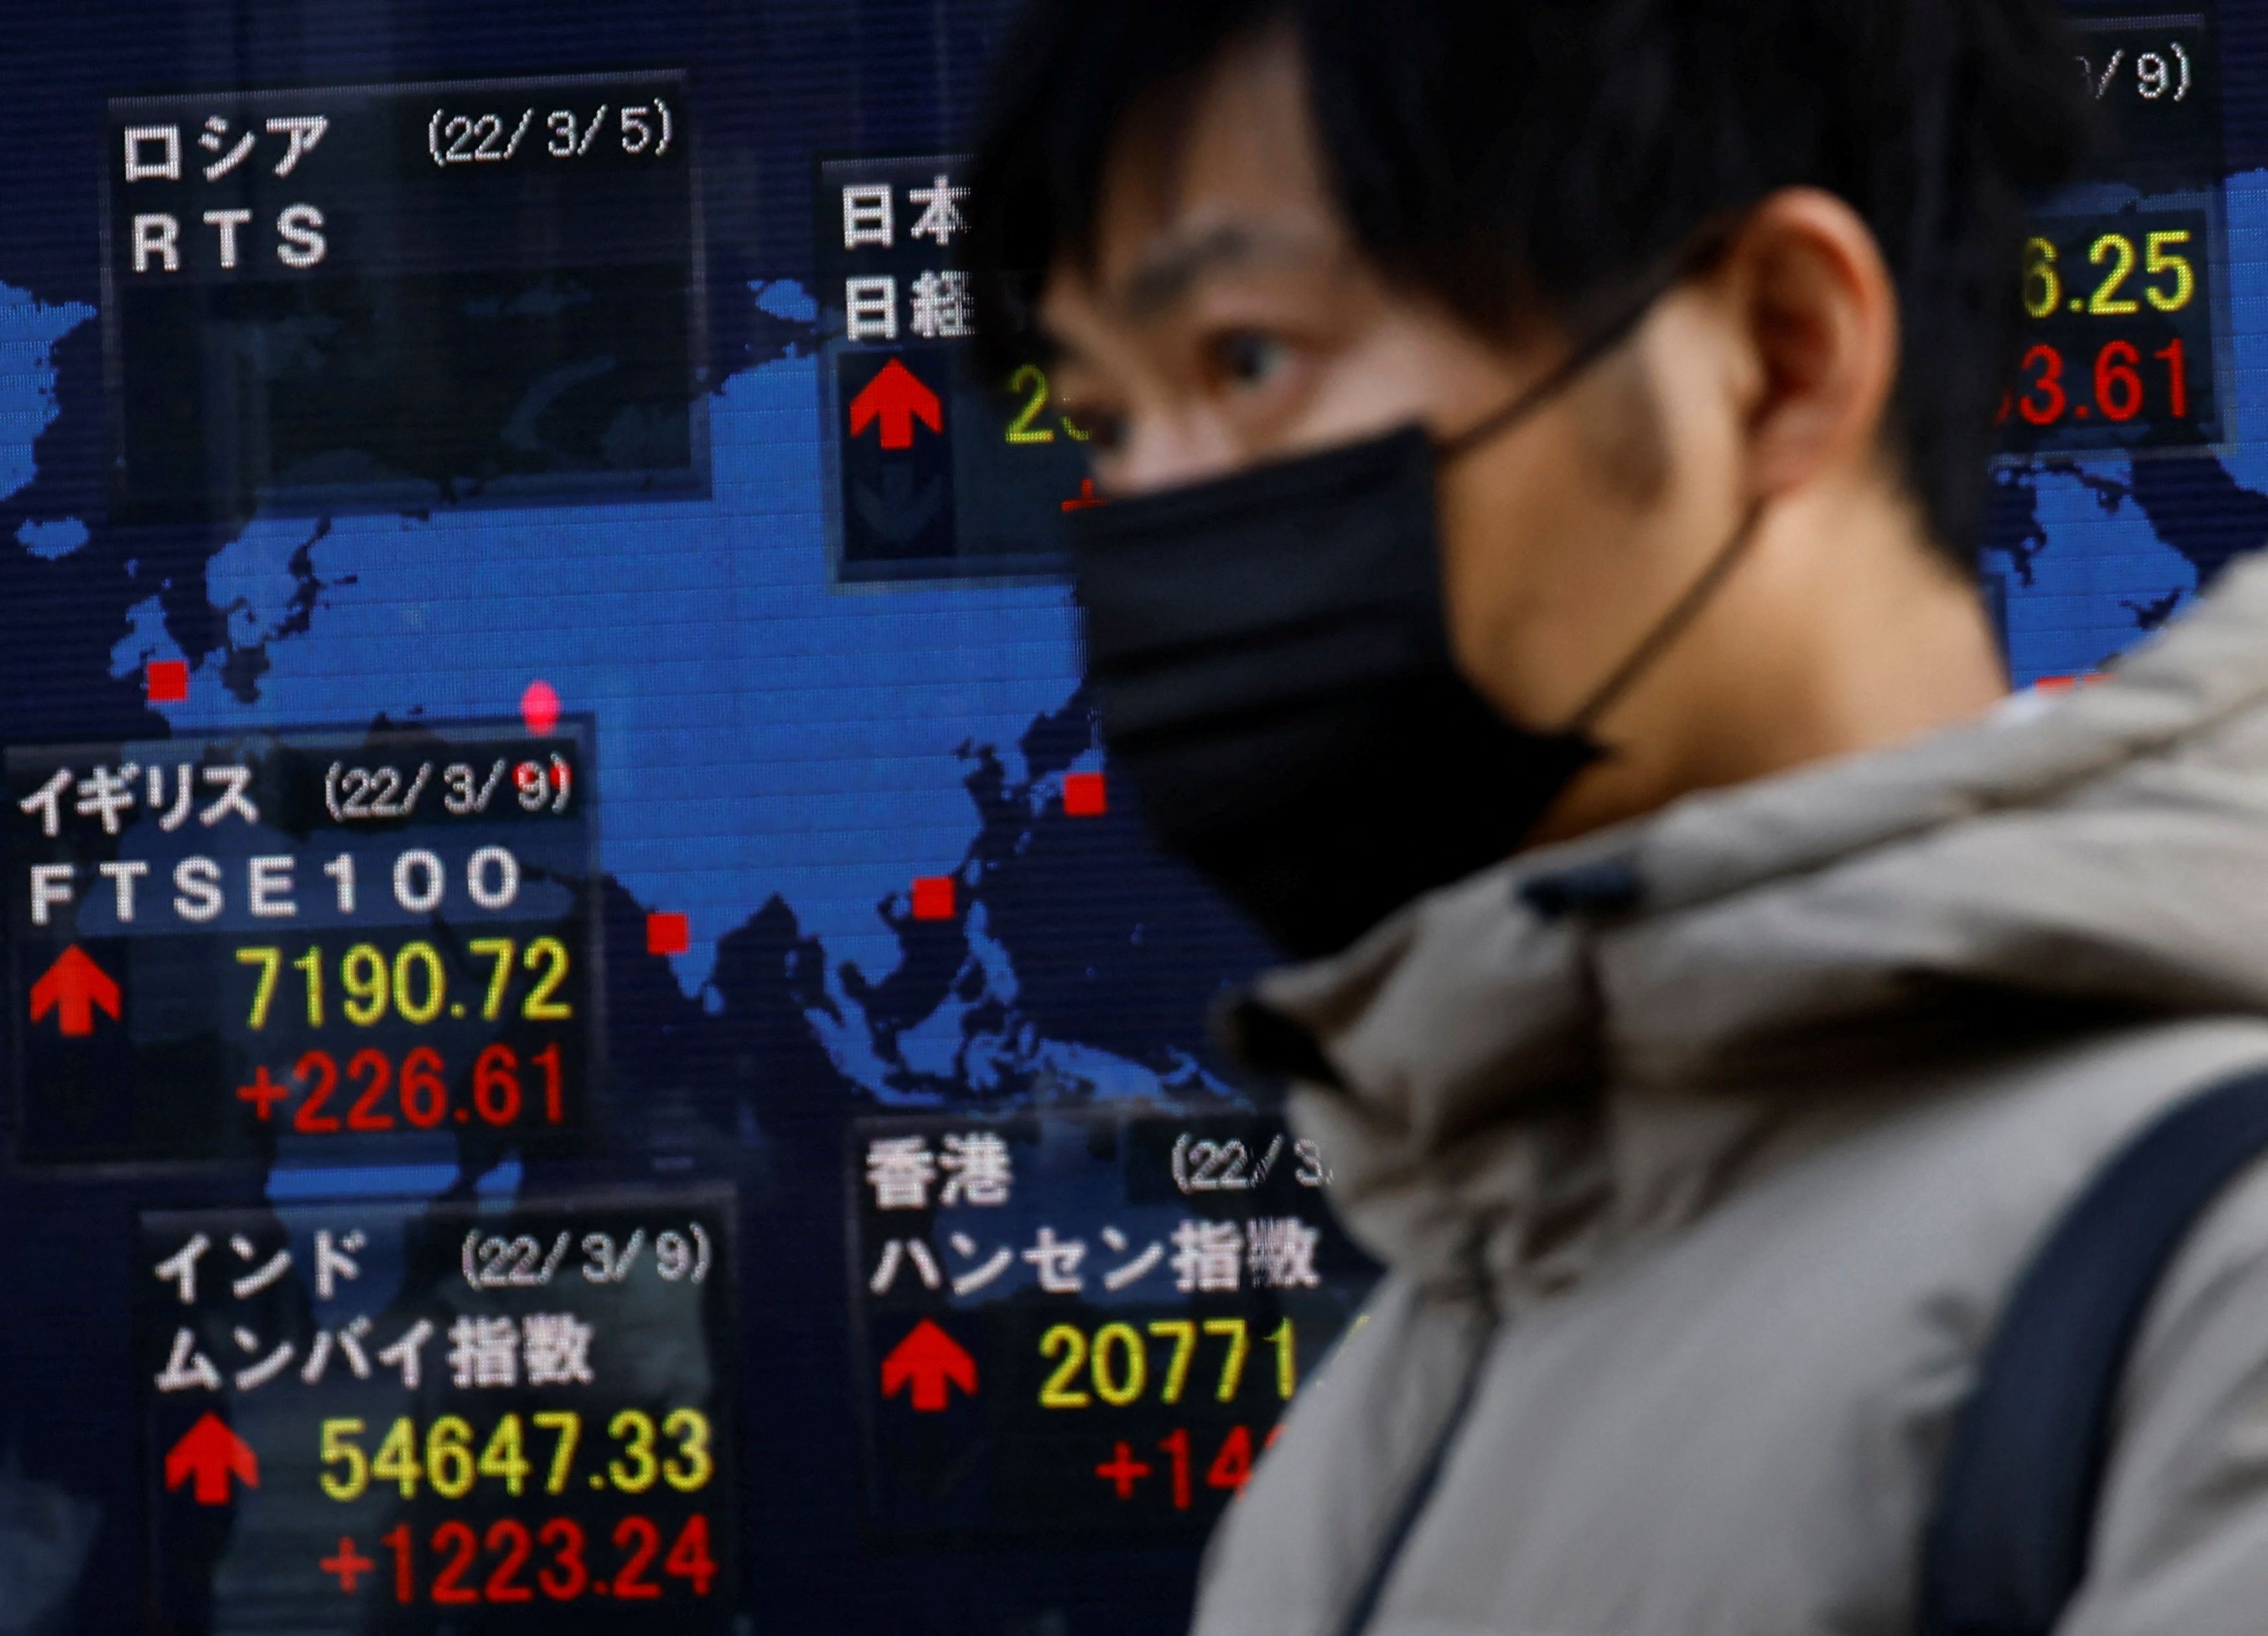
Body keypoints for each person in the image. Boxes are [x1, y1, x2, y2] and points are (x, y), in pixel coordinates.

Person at [969, 1, 2268, 1633]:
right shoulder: (1407, 1393)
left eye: (1247, 358)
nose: (1153, 506)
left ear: (1779, 351)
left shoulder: (2212, 1298)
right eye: (1102, 421)